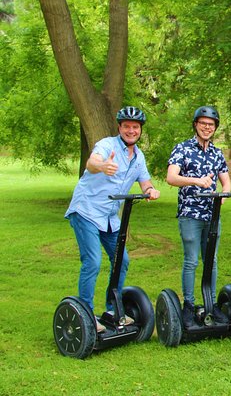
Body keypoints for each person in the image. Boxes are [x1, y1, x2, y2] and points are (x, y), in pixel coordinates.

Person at [65, 106, 161, 333]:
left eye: (135, 127)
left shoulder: (138, 157)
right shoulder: (106, 145)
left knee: (122, 260)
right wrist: (102, 166)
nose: (131, 130)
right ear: (119, 127)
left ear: (140, 130)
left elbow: (145, 181)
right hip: (86, 210)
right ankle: (86, 314)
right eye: (126, 126)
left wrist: (150, 190)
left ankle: (111, 308)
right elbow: (92, 162)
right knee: (93, 261)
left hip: (109, 217)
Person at [166, 106, 231, 327]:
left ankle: (210, 305)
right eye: (203, 123)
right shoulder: (182, 148)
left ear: (215, 128)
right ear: (195, 124)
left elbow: (226, 180)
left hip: (212, 214)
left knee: (211, 261)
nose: (207, 127)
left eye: (211, 124)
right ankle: (188, 305)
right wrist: (197, 181)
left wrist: (225, 194)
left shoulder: (217, 152)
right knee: (191, 261)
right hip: (190, 213)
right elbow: (171, 178)